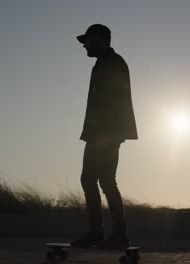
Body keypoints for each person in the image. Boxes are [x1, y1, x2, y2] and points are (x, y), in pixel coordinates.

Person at [70, 24, 138, 249]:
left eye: (86, 41)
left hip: (107, 133)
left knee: (106, 181)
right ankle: (96, 233)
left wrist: (109, 134)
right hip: (97, 133)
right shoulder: (101, 65)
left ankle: (118, 235)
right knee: (89, 179)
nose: (84, 46)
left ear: (99, 38)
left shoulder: (114, 63)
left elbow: (116, 102)